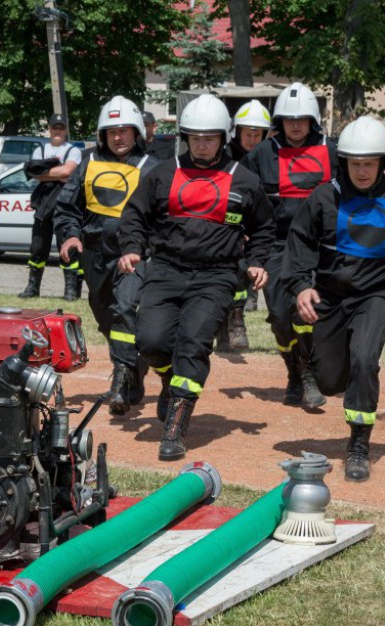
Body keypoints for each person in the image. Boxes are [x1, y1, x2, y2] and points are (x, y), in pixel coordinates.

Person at [284, 116, 385, 482]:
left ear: (383, 162)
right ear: (343, 162)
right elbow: (299, 242)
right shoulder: (325, 197)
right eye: (355, 163)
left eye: (369, 163)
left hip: (376, 294)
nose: (361, 171)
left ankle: (359, 444)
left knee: (364, 359)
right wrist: (301, 286)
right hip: (330, 295)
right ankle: (317, 367)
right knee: (329, 381)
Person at [118, 94, 274, 461]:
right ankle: (169, 381)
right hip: (165, 269)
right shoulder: (163, 173)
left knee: (192, 344)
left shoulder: (244, 180)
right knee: (151, 342)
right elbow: (135, 215)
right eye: (196, 138)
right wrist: (131, 247)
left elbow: (265, 227)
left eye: (210, 138)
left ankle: (176, 426)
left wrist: (256, 261)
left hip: (216, 276)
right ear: (186, 137)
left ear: (223, 138)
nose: (202, 145)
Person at [54, 95, 159, 416]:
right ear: (102, 135)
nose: (118, 137)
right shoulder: (88, 162)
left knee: (124, 308)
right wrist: (71, 235)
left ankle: (120, 381)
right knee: (106, 318)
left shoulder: (152, 168)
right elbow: (67, 207)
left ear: (136, 132)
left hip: (133, 257)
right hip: (95, 255)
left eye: (124, 130)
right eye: (112, 131)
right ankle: (134, 367)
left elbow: (162, 216)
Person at [243, 82, 336, 410]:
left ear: (313, 120)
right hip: (276, 245)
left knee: (308, 311)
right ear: (279, 121)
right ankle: (294, 371)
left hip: (321, 246)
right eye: (289, 119)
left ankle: (309, 373)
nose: (295, 125)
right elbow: (241, 196)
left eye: (302, 119)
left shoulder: (332, 151)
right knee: (282, 317)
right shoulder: (261, 154)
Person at [218, 99, 272, 351]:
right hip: (227, 225)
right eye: (248, 133)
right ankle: (228, 324)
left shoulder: (268, 158)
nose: (252, 139)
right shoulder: (224, 157)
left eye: (257, 134)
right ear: (237, 131)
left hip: (257, 226)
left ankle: (236, 319)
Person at [17, 113, 82, 300]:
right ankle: (32, 287)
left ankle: (70, 290)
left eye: (61, 128)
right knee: (38, 247)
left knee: (67, 247)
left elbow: (68, 170)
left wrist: (45, 172)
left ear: (66, 130)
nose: (58, 131)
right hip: (44, 203)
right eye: (55, 128)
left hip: (65, 204)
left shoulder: (73, 151)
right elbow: (34, 174)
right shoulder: (40, 150)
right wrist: (58, 174)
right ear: (49, 129)